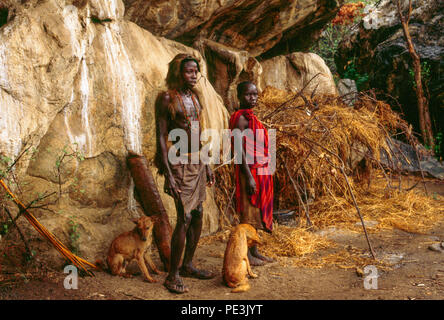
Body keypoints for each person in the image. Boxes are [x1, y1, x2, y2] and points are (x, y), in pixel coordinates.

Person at [155, 54, 216, 294]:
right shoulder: (167, 99)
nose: (193, 76)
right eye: (189, 71)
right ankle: (173, 275)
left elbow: (198, 131)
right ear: (178, 72)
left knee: (198, 214)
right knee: (185, 216)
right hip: (177, 163)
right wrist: (167, 173)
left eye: (196, 72)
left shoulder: (196, 97)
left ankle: (188, 264)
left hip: (197, 162)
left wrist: (207, 164)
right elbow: (160, 136)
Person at [229, 81, 274, 266]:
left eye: (255, 94)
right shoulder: (240, 118)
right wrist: (248, 177)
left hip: (259, 171)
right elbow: (238, 151)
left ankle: (254, 251)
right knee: (248, 213)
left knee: (255, 214)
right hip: (249, 172)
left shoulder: (252, 118)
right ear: (239, 96)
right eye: (248, 94)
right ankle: (246, 253)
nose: (253, 98)